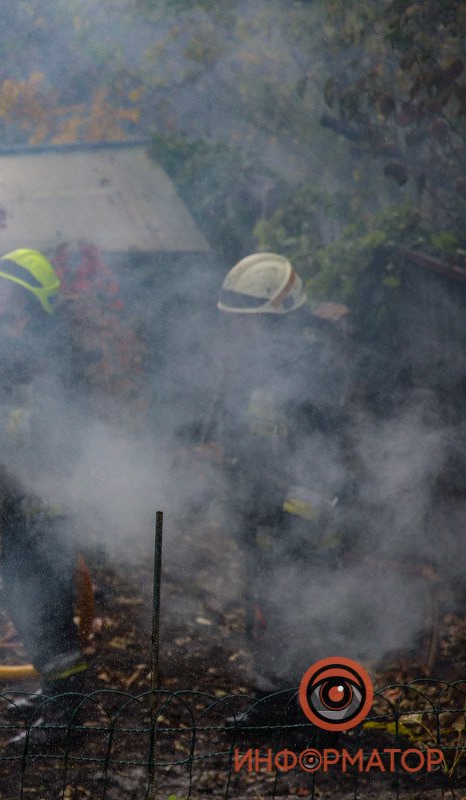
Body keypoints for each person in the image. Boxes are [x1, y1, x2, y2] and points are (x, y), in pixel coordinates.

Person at [211, 252, 356, 730]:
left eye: (246, 322)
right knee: (268, 608)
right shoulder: (263, 361)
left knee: (304, 611)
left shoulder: (309, 363)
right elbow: (252, 435)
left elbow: (322, 452)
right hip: (270, 508)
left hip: (304, 516)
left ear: (276, 318)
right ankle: (275, 704)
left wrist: (291, 516)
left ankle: (318, 717)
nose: (236, 331)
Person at [0, 248, 90, 721]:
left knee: (47, 600)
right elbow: (2, 415)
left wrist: (13, 449)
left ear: (25, 295)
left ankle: (67, 712)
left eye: (3, 284)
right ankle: (54, 690)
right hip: (19, 491)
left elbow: (59, 426)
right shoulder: (5, 343)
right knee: (20, 595)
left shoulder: (55, 350)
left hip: (50, 496)